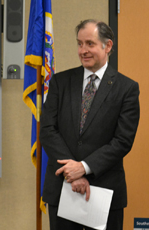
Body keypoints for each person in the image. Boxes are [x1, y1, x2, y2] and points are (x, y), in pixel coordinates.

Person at [40, 19, 140, 230]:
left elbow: (123, 140)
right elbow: (48, 130)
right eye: (79, 44)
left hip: (104, 192)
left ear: (108, 46)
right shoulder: (60, 82)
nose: (83, 50)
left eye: (90, 44)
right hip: (62, 189)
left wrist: (84, 168)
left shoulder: (127, 88)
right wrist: (71, 171)